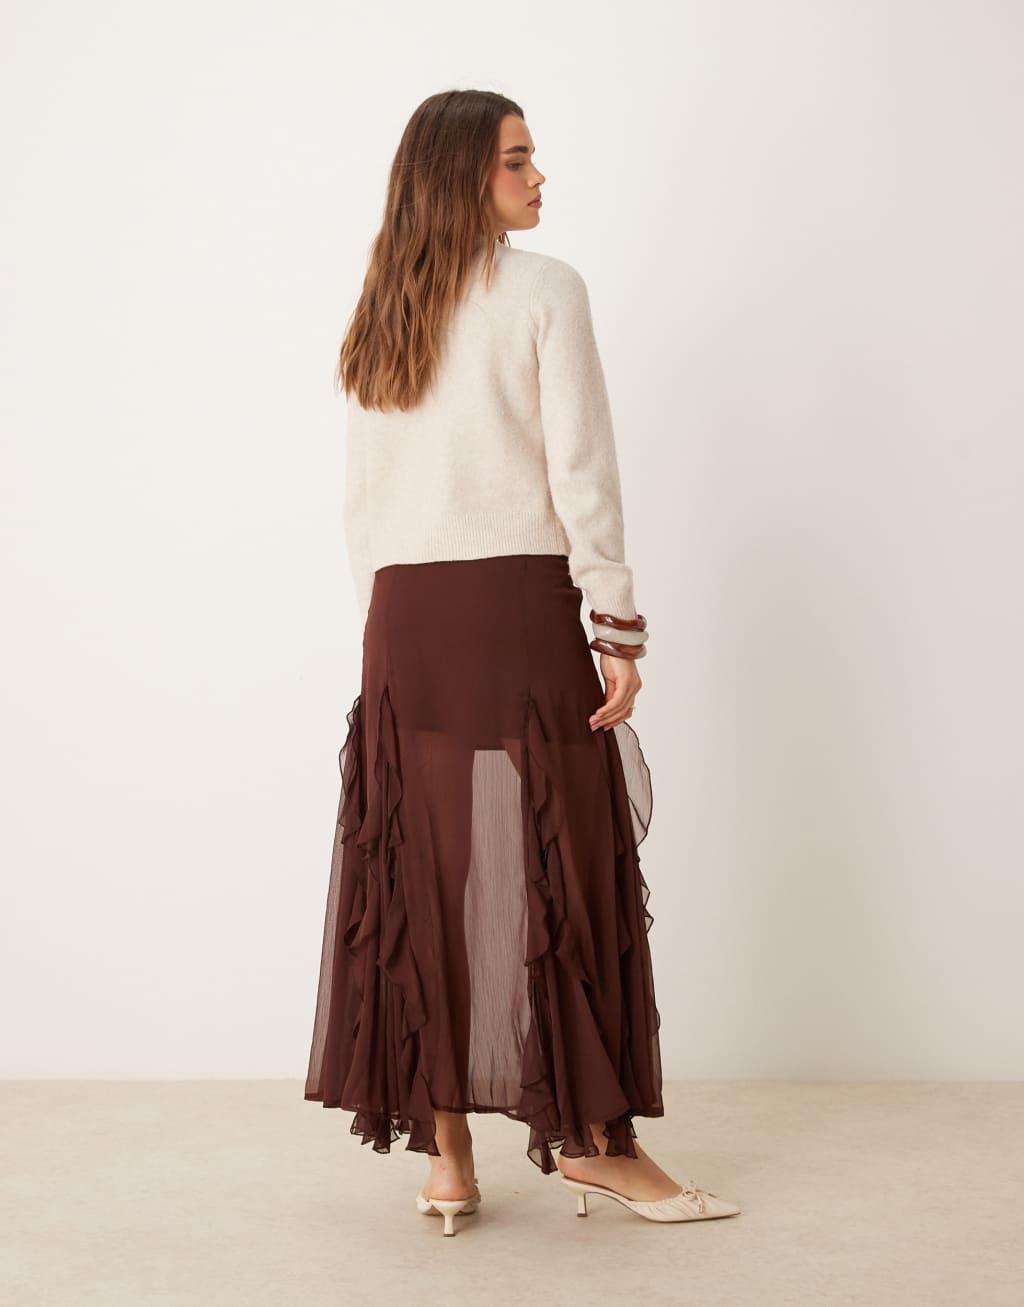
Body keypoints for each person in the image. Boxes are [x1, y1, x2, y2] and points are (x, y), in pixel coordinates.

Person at [303, 89, 740, 1236]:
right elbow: (580, 470)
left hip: (403, 620)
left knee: (426, 875)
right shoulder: (546, 289)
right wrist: (617, 628)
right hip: (511, 603)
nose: (539, 177)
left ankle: (448, 1158)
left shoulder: (382, 308)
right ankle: (594, 1143)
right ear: (463, 175)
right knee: (562, 863)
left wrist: (384, 633)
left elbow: (360, 504)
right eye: (516, 160)